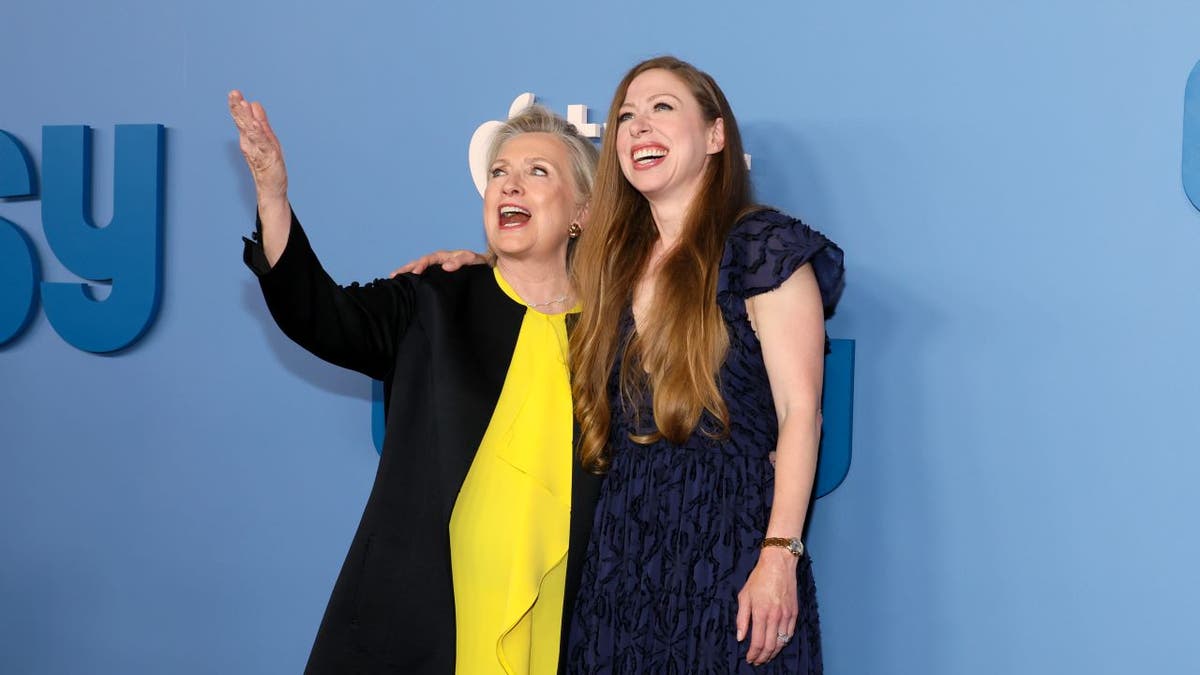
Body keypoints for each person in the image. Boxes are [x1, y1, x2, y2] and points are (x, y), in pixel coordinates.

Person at [229, 92, 602, 674]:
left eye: (537, 172)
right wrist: (273, 196)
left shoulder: (615, 339)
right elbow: (318, 314)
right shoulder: (433, 299)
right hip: (414, 631)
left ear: (582, 210)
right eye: (500, 172)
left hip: (559, 635)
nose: (509, 185)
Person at [563, 56, 844, 672]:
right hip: (621, 555)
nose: (637, 127)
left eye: (662, 108)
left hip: (732, 546)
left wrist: (779, 555)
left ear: (716, 136)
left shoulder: (762, 248)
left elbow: (802, 412)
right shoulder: (603, 264)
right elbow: (519, 273)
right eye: (626, 117)